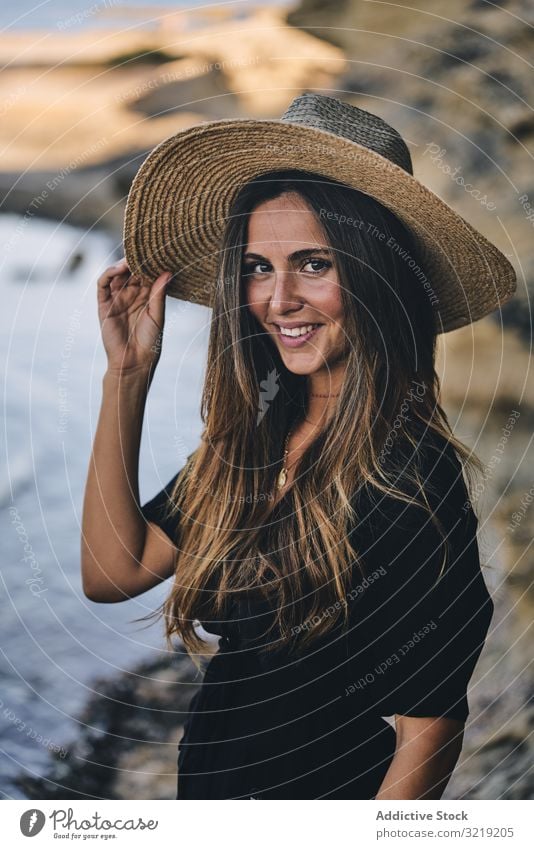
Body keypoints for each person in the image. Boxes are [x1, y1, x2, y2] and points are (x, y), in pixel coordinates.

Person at [81, 93, 516, 800]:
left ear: (377, 275)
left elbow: (427, 732)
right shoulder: (254, 444)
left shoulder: (409, 476)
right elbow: (113, 570)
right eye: (257, 266)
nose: (278, 298)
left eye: (314, 263)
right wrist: (126, 377)